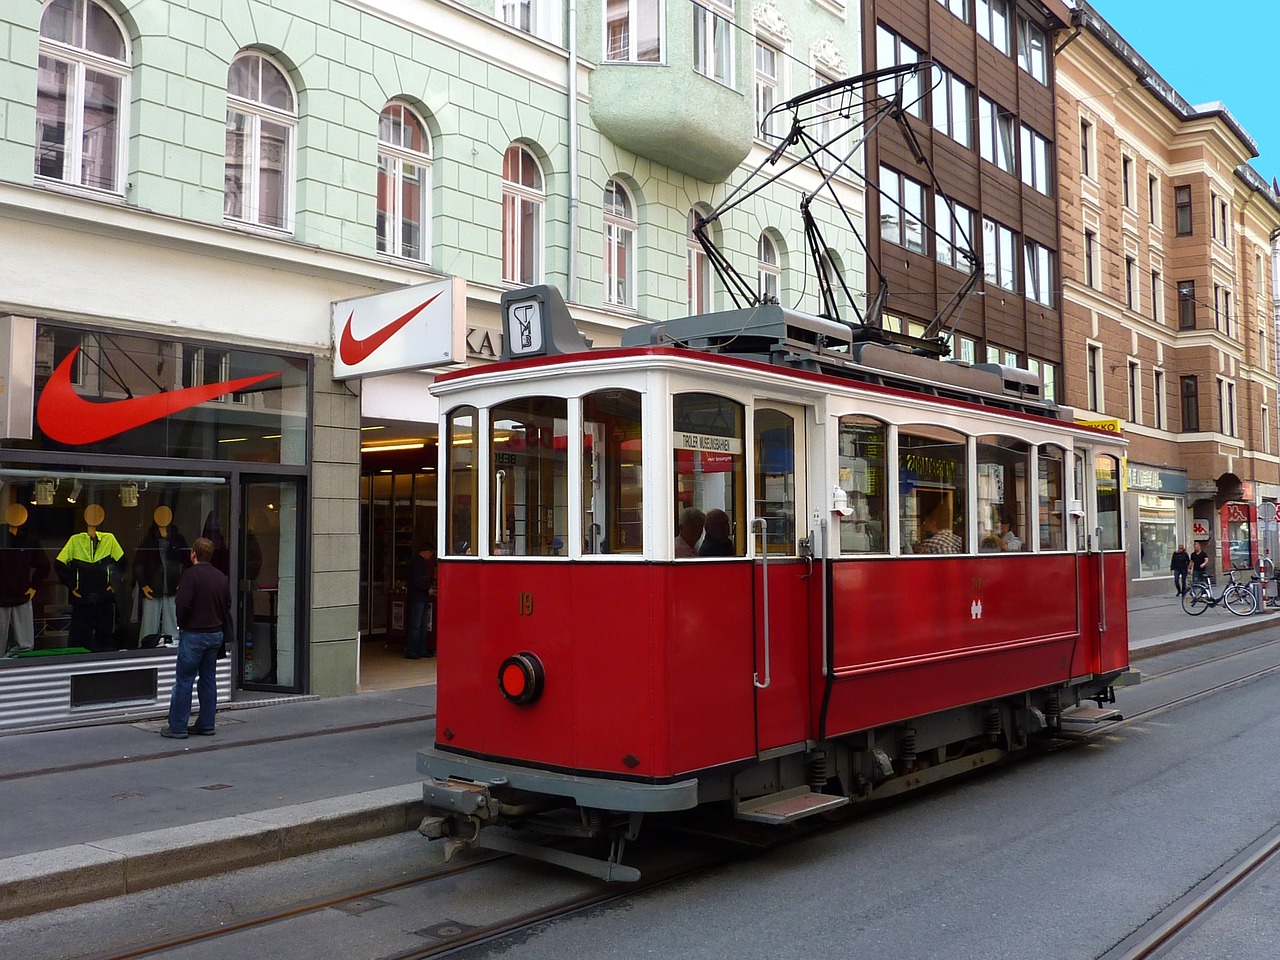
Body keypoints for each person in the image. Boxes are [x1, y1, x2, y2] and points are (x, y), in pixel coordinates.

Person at [161, 537, 231, 739]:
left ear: (193, 554)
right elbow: (227, 603)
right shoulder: (220, 577)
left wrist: (182, 625)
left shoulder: (190, 576)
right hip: (215, 634)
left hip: (194, 634)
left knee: (184, 680)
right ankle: (207, 723)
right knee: (209, 679)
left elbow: (182, 604)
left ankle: (178, 726)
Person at [56, 504, 125, 652]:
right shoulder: (75, 540)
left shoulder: (109, 539)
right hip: (82, 595)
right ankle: (76, 665)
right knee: (79, 635)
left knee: (104, 634)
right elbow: (59, 564)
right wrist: (71, 585)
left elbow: (122, 562)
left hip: (103, 595)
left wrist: (113, 584)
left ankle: (104, 665)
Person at [134, 506, 190, 643]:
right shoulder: (149, 540)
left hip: (172, 587)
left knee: (172, 623)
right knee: (149, 624)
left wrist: (182, 582)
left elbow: (187, 562)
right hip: (152, 588)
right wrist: (144, 585)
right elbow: (138, 564)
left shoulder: (178, 539)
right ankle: (146, 646)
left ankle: (171, 647)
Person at [0, 504, 50, 655]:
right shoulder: (1, 536)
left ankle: (13, 668)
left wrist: (33, 587)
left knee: (25, 644)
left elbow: (44, 565)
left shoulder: (29, 540)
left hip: (22, 596)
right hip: (1, 598)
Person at [405, 538, 437, 660]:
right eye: (430, 553)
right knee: (416, 625)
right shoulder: (417, 563)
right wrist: (427, 588)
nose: (431, 556)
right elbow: (418, 581)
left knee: (423, 625)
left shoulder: (421, 562)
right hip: (417, 597)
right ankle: (412, 650)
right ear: (426, 551)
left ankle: (421, 649)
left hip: (422, 597)